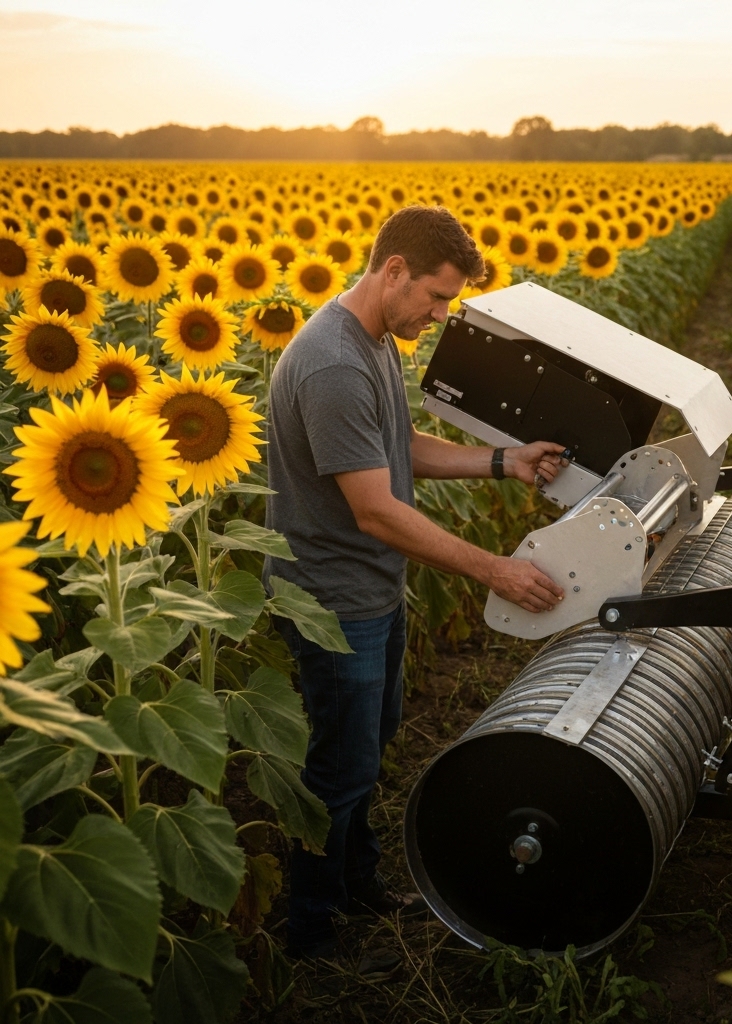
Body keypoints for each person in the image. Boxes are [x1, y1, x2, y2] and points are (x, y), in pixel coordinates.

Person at [263, 205, 567, 959]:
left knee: (371, 744)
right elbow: (376, 512)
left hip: (371, 589)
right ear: (393, 270)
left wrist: (505, 460)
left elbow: (397, 445)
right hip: (333, 599)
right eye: (435, 297)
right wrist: (494, 568)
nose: (439, 315)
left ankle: (356, 881)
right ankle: (310, 924)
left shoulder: (370, 339)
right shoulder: (334, 362)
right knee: (340, 767)